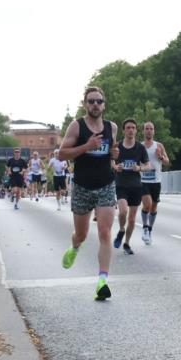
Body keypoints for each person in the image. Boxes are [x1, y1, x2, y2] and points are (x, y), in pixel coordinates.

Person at [57, 86, 120, 300]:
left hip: (105, 185)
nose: (95, 105)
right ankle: (74, 247)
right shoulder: (77, 126)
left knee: (105, 233)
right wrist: (86, 146)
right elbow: (61, 154)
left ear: (104, 104)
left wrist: (113, 154)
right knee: (82, 234)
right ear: (85, 104)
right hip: (82, 186)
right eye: (91, 101)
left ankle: (102, 281)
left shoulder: (112, 128)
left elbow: (111, 155)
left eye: (99, 101)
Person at [113, 119, 151, 255]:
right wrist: (116, 167)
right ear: (123, 130)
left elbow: (148, 165)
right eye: (128, 128)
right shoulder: (117, 147)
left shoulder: (140, 148)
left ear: (136, 131)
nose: (130, 130)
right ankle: (121, 229)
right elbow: (109, 161)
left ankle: (127, 243)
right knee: (123, 212)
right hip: (121, 184)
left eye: (133, 128)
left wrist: (139, 168)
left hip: (136, 186)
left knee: (132, 218)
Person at [140, 121, 170, 245]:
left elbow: (167, 161)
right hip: (143, 180)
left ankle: (150, 231)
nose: (149, 131)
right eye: (146, 128)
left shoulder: (159, 146)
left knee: (153, 207)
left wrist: (161, 157)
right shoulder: (139, 146)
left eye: (151, 129)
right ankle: (145, 228)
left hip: (156, 181)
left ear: (154, 131)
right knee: (147, 204)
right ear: (143, 131)